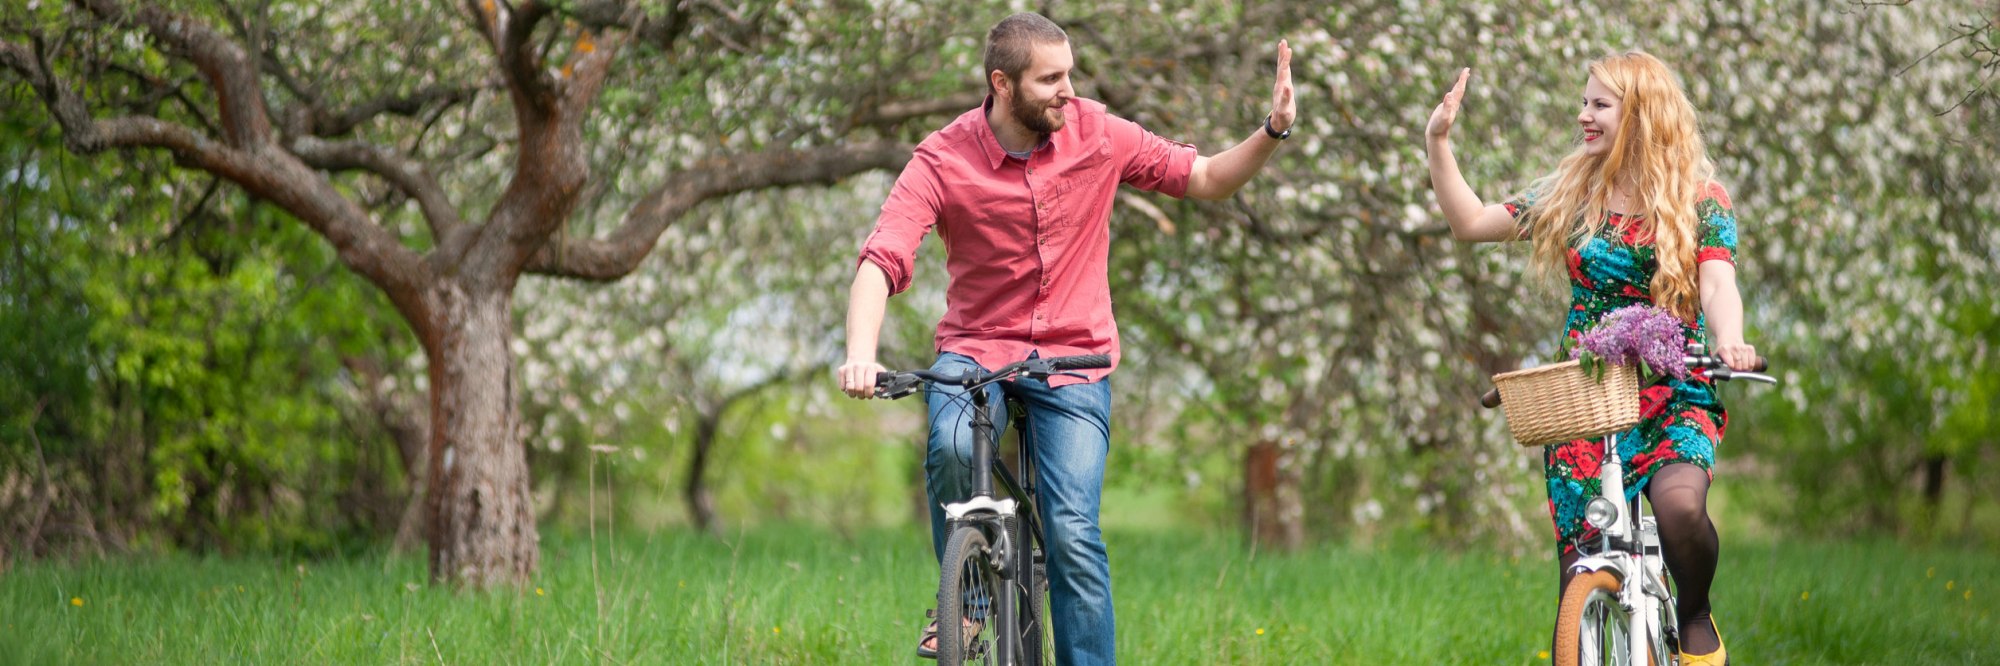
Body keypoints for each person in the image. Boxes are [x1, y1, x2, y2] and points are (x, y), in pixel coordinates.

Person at [836, 12, 1295, 664]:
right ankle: (968, 607)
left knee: (1073, 533)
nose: (1067, 91)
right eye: (1050, 78)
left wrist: (1273, 129)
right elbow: (881, 260)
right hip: (977, 347)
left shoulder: (1097, 133)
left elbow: (1204, 179)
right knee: (946, 446)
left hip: (1073, 358)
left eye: (1069, 74)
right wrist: (860, 354)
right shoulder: (943, 157)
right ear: (1002, 83)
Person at [1423, 51, 1755, 666]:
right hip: (1589, 394)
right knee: (1577, 570)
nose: (1584, 116)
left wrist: (1729, 337)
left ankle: (1694, 614)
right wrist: (1438, 142)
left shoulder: (1701, 199)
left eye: (1599, 104)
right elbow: (1469, 222)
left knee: (1681, 510)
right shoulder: (1574, 192)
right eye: (1584, 102)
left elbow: (1717, 284)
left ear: (1641, 114)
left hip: (1671, 388)